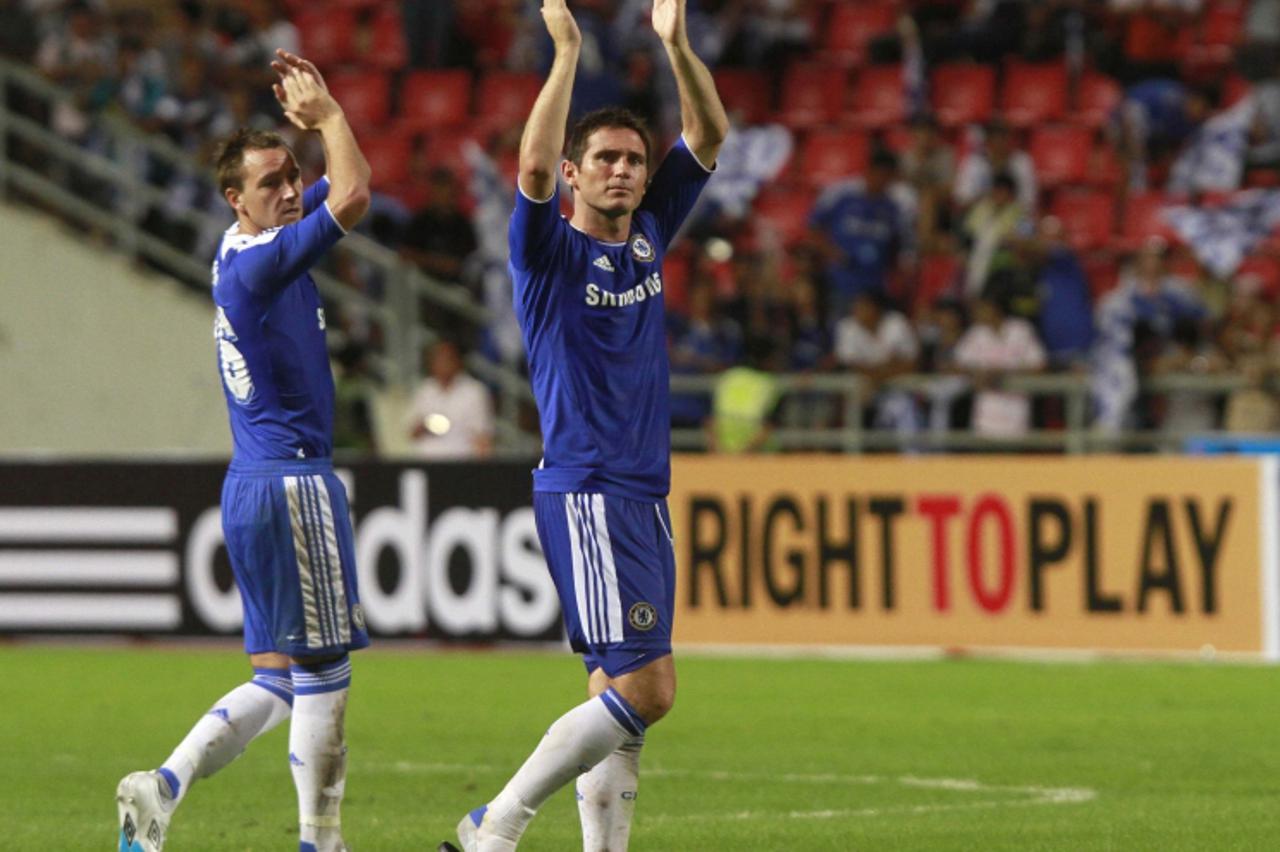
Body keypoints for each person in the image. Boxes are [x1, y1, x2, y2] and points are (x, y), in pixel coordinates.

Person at [439, 1, 727, 850]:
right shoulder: (547, 252)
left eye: (635, 160)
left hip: (641, 493)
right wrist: (566, 50)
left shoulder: (646, 238)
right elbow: (529, 163)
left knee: (618, 690)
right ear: (574, 174)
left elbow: (709, 135)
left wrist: (677, 45)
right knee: (651, 687)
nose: (624, 172)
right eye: (604, 159)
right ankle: (496, 824)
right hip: (590, 488)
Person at [115, 49, 372, 852]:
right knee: (327, 678)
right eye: (271, 183)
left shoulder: (250, 244)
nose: (292, 190)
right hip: (295, 484)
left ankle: (162, 787)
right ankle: (319, 842)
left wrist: (324, 130)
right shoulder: (263, 262)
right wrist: (328, 116)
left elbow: (349, 178)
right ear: (236, 199)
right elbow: (357, 193)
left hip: (253, 482)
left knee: (278, 678)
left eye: (293, 175)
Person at [404, 338, 496, 459]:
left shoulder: (474, 391)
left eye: (447, 359)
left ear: (458, 361)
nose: (442, 364)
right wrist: (425, 425)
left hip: (461, 464)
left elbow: (483, 438)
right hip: (427, 463)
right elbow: (411, 432)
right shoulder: (424, 390)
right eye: (438, 359)